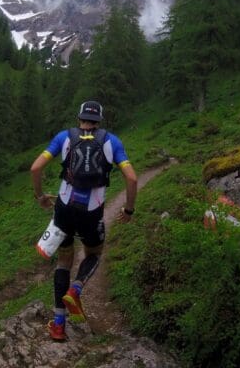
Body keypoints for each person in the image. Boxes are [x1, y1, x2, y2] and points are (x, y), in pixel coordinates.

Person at [30, 100, 138, 341]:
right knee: (94, 254)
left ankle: (58, 324)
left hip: (64, 208)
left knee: (64, 260)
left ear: (79, 117)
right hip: (92, 211)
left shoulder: (64, 137)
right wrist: (128, 210)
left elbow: (35, 168)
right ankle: (76, 288)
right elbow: (131, 179)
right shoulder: (112, 141)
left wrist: (39, 197)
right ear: (99, 119)